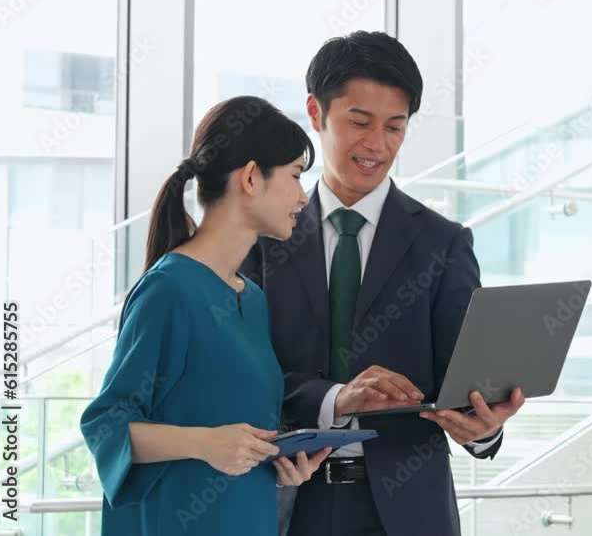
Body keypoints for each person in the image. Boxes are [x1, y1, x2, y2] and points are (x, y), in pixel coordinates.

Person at [240, 31, 525, 536]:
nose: (377, 144)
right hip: (287, 500)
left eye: (395, 127)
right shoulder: (262, 238)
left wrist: (484, 427)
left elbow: (460, 378)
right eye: (360, 122)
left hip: (408, 510)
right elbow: (244, 377)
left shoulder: (443, 243)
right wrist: (334, 398)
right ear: (315, 113)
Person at [80, 96, 331, 536]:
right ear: (250, 178)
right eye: (295, 176)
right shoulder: (169, 290)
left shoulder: (251, 298)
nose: (301, 196)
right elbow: (106, 425)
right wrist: (206, 442)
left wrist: (280, 460)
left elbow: (233, 428)